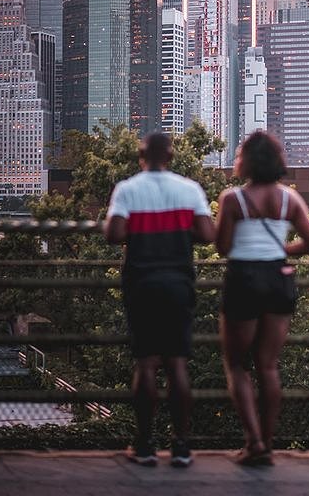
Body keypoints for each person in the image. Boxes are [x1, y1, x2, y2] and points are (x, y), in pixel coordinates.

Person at [103, 132, 215, 468]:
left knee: (146, 364)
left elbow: (114, 234)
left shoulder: (128, 189)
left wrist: (141, 228)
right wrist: (180, 228)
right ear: (170, 156)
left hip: (141, 282)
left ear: (141, 156)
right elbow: (208, 235)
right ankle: (181, 446)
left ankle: (145, 445)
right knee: (177, 364)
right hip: (179, 281)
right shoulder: (189, 189)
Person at [216, 130, 309, 465]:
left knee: (236, 364)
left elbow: (222, 247)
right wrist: (281, 249)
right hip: (278, 278)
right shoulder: (290, 200)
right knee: (268, 365)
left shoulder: (232, 199)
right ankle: (269, 442)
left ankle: (254, 443)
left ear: (246, 161)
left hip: (244, 279)